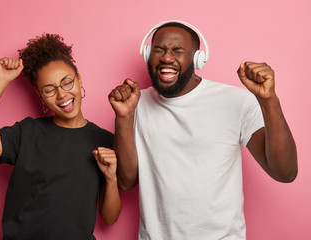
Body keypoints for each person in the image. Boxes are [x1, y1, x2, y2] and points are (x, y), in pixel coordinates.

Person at [109, 20, 297, 239]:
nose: (167, 58)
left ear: (198, 59)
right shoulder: (135, 104)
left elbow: (285, 173)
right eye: (159, 49)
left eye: (178, 51)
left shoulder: (236, 102)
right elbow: (125, 181)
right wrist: (124, 117)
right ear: (147, 54)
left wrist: (269, 101)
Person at [0, 33, 121, 239]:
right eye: (49, 90)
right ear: (40, 96)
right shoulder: (27, 133)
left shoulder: (104, 141)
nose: (62, 94)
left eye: (67, 82)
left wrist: (110, 178)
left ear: (79, 78)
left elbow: (109, 219)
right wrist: (0, 81)